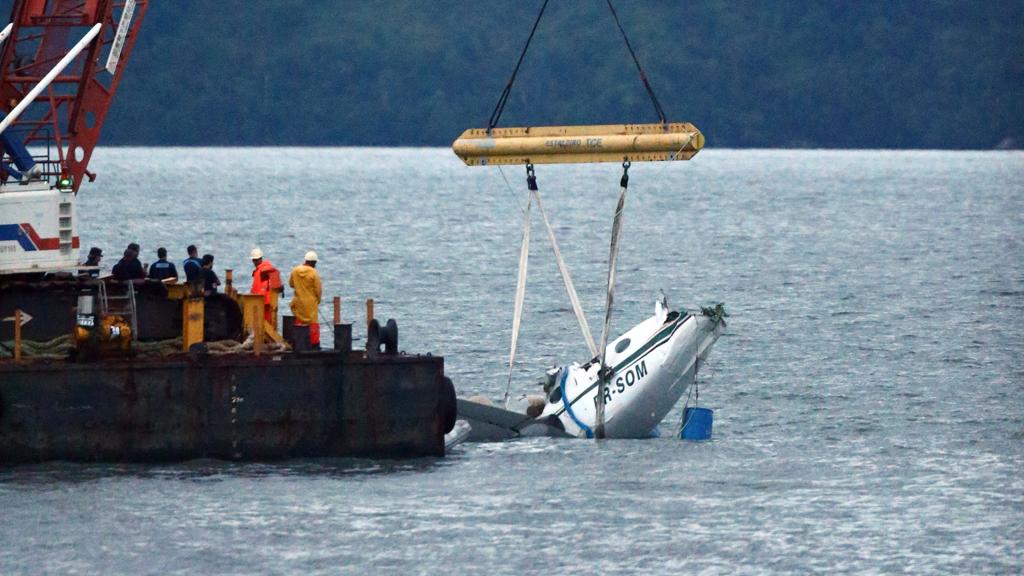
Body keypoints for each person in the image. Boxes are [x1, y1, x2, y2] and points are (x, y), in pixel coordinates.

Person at [289, 250, 322, 349]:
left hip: (298, 302)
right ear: (314, 262)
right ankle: (314, 345)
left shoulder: (295, 270)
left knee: (299, 323)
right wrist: (318, 301)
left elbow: (291, 284)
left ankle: (300, 343)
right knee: (313, 325)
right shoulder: (314, 273)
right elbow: (318, 290)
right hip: (311, 303)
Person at [249, 247, 283, 323]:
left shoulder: (260, 271)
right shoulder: (268, 268)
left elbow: (256, 288)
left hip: (261, 301)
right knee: (268, 323)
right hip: (270, 300)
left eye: (254, 260)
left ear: (254, 260)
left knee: (262, 323)